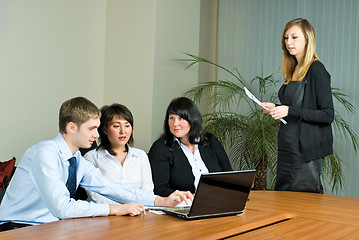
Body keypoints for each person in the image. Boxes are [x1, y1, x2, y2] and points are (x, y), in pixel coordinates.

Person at [0, 97, 192, 231]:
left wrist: (161, 201)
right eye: (92, 128)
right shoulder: (44, 153)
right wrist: (116, 209)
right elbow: (63, 207)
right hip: (17, 227)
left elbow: (112, 189)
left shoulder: (76, 160)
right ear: (71, 127)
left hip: (49, 227)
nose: (96, 134)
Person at [261, 18, 334, 193]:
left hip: (304, 151)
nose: (288, 42)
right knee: (284, 200)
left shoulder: (316, 69)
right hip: (287, 146)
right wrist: (276, 107)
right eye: (286, 38)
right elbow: (295, 106)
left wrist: (289, 110)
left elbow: (327, 114)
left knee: (303, 203)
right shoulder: (293, 69)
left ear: (307, 39)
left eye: (294, 37)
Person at [148, 97, 233, 197]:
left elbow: (229, 175)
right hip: (184, 205)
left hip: (218, 200)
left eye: (180, 118)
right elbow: (159, 189)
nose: (175, 123)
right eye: (171, 118)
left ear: (192, 119)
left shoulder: (210, 140)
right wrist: (184, 197)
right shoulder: (160, 148)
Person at [84, 103, 154, 204]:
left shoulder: (140, 156)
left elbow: (148, 193)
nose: (123, 131)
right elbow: (96, 197)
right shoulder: (91, 158)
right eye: (116, 126)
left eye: (127, 125)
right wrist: (123, 209)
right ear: (104, 129)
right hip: (105, 215)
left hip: (138, 213)